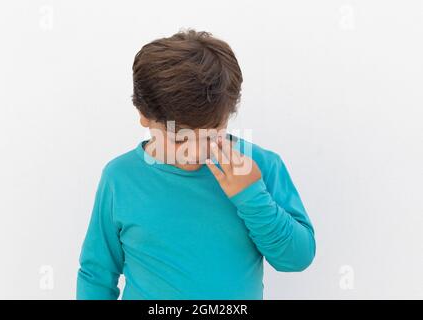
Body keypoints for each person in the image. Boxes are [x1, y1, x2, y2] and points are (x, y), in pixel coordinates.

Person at [76, 29, 316, 300]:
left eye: (212, 135)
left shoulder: (255, 167)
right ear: (144, 116)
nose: (195, 153)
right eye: (179, 140)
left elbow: (296, 258)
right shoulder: (120, 178)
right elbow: (97, 274)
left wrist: (252, 197)